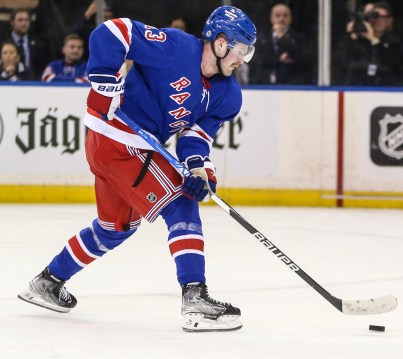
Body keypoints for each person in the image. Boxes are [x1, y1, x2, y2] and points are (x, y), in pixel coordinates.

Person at [18, 5, 257, 333]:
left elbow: (196, 136)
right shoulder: (174, 47)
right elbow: (112, 32)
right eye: (241, 49)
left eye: (248, 51)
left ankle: (47, 282)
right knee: (180, 204)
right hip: (119, 139)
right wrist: (104, 80)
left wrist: (200, 171)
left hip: (117, 148)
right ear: (219, 43)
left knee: (115, 228)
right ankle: (195, 298)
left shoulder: (228, 95)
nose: (242, 58)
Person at [333, 1, 403, 86]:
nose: (377, 21)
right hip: (356, 89)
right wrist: (349, 37)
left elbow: (390, 66)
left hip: (385, 89)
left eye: (382, 17)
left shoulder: (394, 43)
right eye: (374, 17)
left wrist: (374, 40)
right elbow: (339, 63)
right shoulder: (358, 42)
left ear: (389, 21)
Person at [248, 3, 312, 84]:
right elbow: (255, 59)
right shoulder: (261, 38)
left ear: (290, 18)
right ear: (271, 18)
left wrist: (282, 37)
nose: (282, 18)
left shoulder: (299, 38)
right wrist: (277, 59)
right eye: (278, 15)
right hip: (263, 84)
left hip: (291, 84)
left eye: (285, 16)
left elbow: (303, 58)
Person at [0, 8, 48, 80]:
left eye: (27, 20)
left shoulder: (38, 44)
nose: (24, 23)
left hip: (33, 84)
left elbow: (41, 68)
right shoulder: (3, 43)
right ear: (12, 22)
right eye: (20, 20)